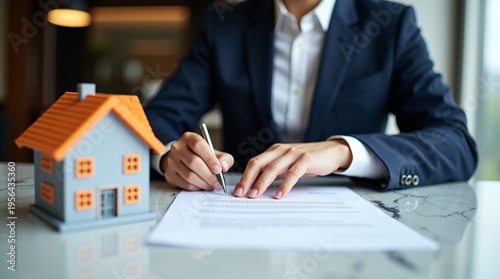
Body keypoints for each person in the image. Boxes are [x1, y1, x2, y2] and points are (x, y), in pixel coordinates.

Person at [145, 0, 478, 200]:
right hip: (243, 216)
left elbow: (455, 143)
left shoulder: (390, 25)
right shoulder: (225, 25)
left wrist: (343, 150)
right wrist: (168, 157)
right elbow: (156, 119)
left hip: (350, 235)